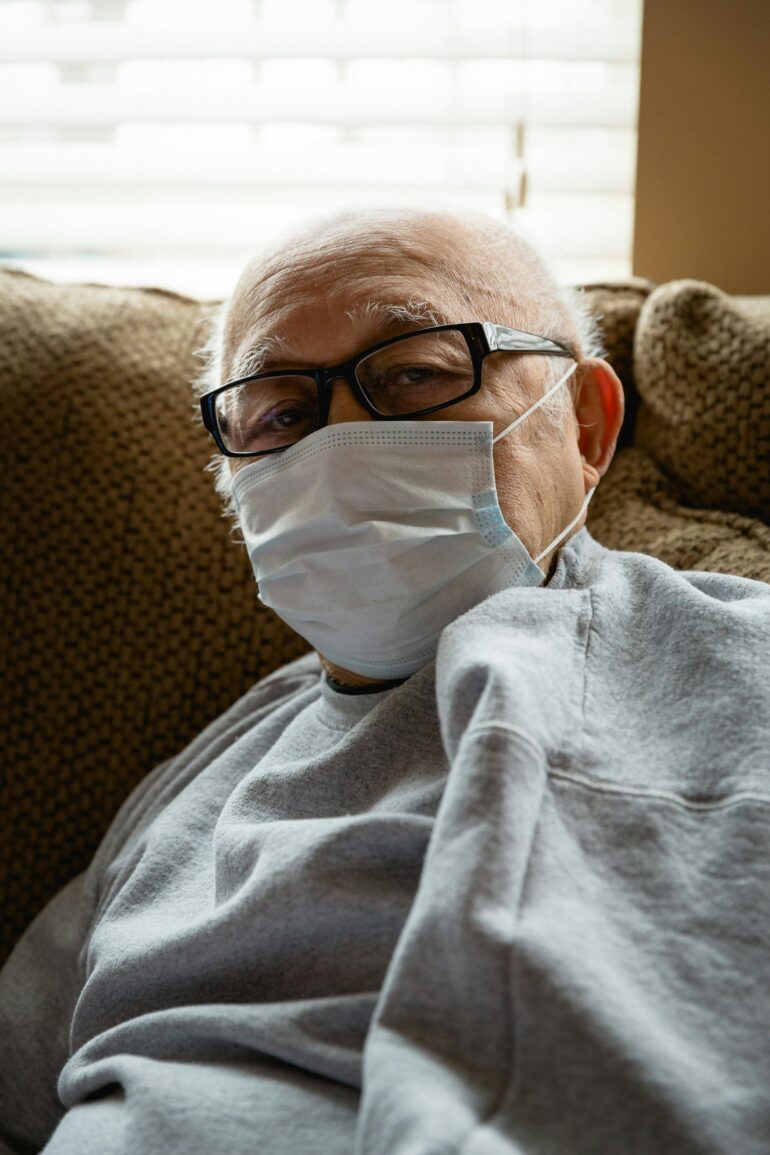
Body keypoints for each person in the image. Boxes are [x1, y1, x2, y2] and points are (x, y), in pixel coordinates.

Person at [1, 207, 768, 1155]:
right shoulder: (202, 771)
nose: (341, 441)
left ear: (584, 425)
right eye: (280, 412)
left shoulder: (736, 662)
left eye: (415, 373)